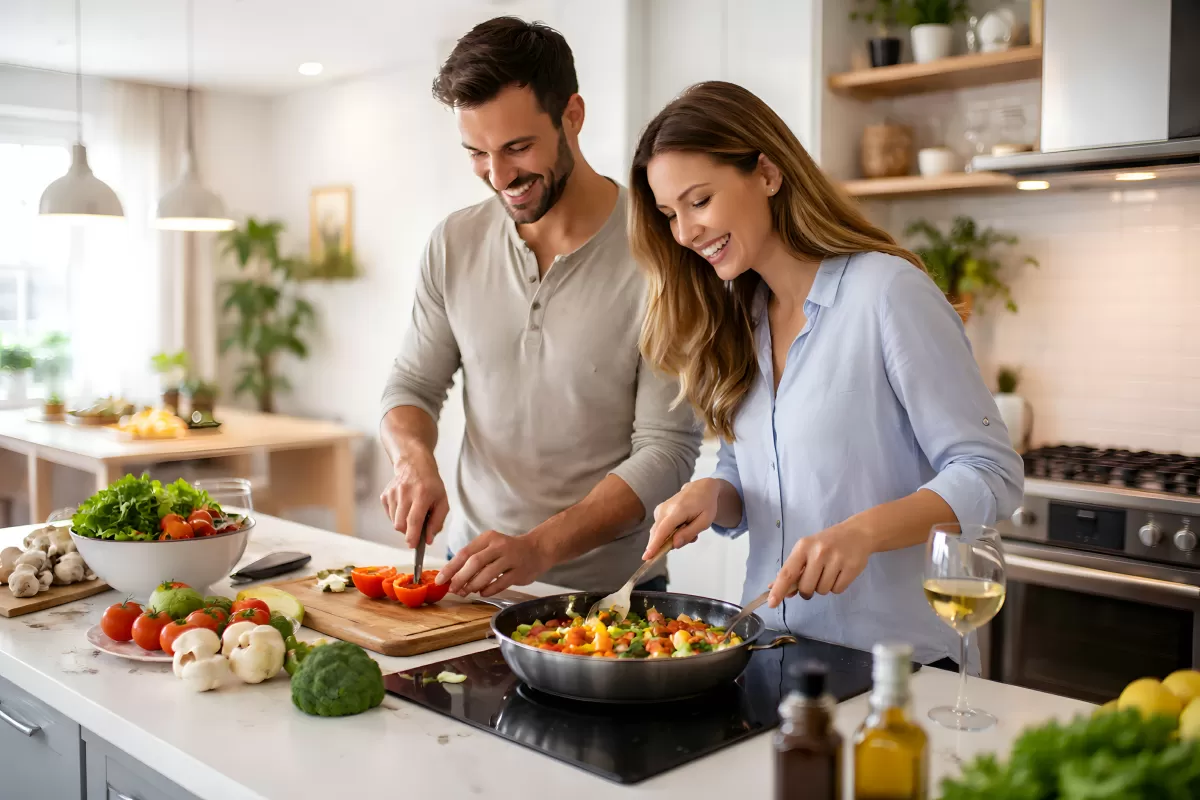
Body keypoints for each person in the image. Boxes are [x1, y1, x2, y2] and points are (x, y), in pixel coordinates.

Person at [631, 81, 1023, 671]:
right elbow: (752, 476)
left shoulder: (886, 293)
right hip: (762, 650)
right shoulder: (741, 317)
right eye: (669, 215)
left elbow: (990, 473)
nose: (684, 233)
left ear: (767, 173)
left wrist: (863, 533)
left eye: (699, 201)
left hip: (891, 668)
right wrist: (715, 494)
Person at [378, 17, 702, 598]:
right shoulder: (453, 244)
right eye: (476, 152)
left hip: (616, 599)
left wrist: (541, 548)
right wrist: (411, 460)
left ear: (572, 116)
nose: (499, 176)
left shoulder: (665, 253)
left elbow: (667, 449)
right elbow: (411, 386)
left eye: (517, 147)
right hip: (471, 580)